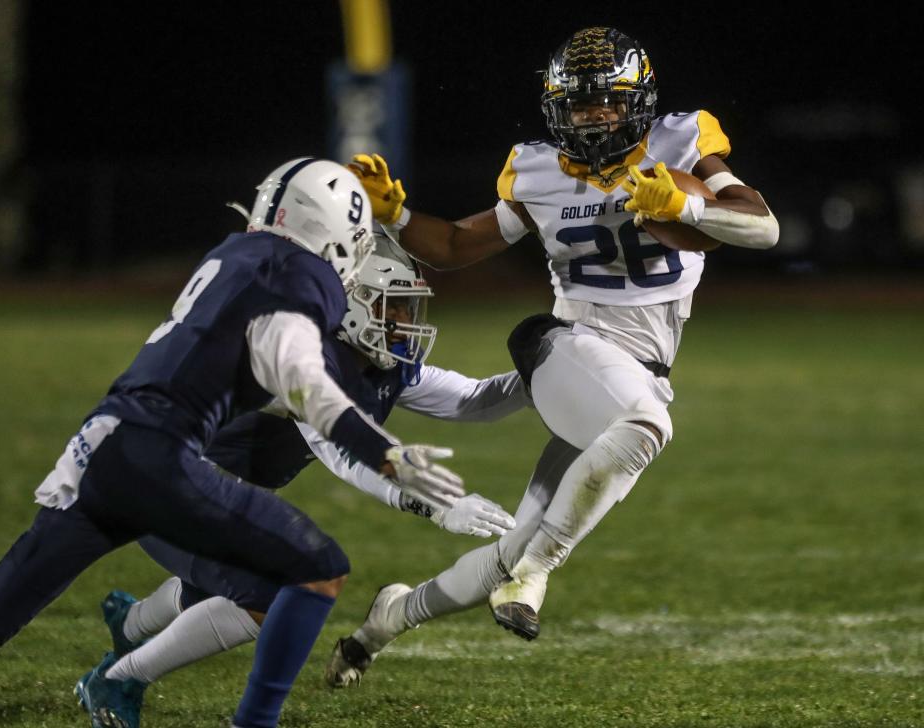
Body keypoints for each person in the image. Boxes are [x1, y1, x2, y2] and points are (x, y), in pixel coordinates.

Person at [326, 25, 780, 685]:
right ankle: (537, 573)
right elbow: (455, 246)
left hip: (635, 376)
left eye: (608, 103)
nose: (594, 117)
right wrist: (396, 215)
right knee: (645, 429)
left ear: (640, 102)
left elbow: (762, 226)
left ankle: (383, 623)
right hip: (566, 347)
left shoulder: (684, 138)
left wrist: (683, 203)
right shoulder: (539, 168)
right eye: (580, 105)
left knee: (511, 547)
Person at [0, 157, 468, 728]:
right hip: (161, 459)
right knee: (317, 567)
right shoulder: (297, 278)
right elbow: (304, 383)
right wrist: (383, 453)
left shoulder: (235, 252)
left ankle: (132, 642)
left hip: (99, 445)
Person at [77, 234, 526, 717]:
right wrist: (437, 505)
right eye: (392, 306)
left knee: (221, 580)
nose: (404, 322)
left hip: (188, 477)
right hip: (157, 477)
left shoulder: (374, 361)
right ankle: (116, 681)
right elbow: (345, 455)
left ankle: (131, 625)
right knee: (268, 590)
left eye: (407, 307)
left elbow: (474, 399)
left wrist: (545, 372)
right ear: (351, 305)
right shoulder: (302, 354)